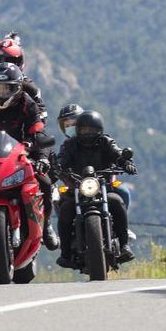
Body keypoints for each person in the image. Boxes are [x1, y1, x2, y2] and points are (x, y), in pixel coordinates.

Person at [0, 62, 60, 250]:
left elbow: (39, 133)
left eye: (7, 88)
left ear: (18, 88)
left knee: (46, 183)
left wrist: (42, 158)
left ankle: (46, 227)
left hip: (23, 157)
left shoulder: (27, 104)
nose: (1, 93)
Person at [55, 110, 137, 267]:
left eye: (92, 130)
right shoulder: (70, 144)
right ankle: (65, 253)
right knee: (65, 208)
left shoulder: (106, 142)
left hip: (103, 187)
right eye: (84, 130)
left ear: (99, 130)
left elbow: (117, 153)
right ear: (78, 130)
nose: (88, 133)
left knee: (117, 202)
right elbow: (62, 159)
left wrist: (125, 162)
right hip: (78, 188)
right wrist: (57, 166)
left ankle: (125, 245)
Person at [0, 32, 47, 118]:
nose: (3, 67)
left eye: (10, 61)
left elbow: (41, 114)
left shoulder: (29, 88)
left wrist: (36, 128)